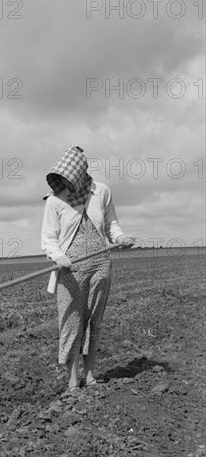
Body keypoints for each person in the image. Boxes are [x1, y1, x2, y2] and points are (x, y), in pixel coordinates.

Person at [40, 146, 135, 392]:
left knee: (94, 320)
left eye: (69, 179)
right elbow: (48, 238)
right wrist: (59, 256)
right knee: (71, 321)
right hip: (70, 269)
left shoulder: (102, 191)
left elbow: (111, 224)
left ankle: (90, 376)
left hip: (101, 263)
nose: (66, 184)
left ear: (80, 174)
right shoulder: (54, 201)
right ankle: (72, 381)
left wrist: (121, 238)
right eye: (61, 179)